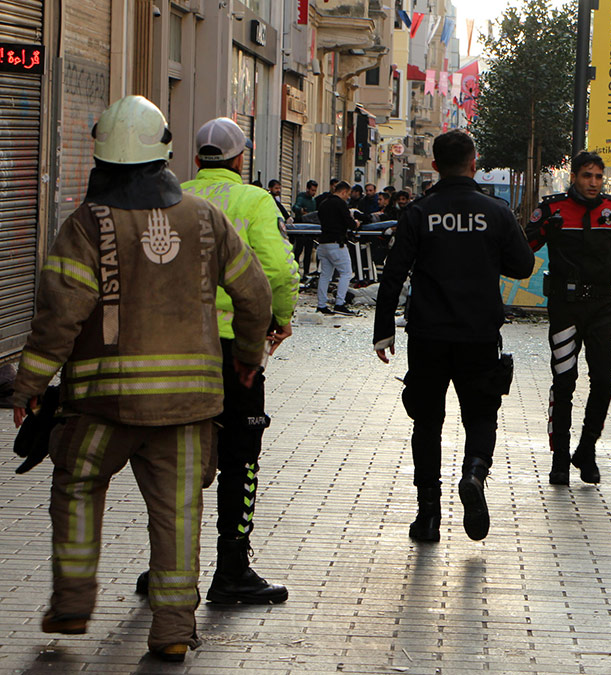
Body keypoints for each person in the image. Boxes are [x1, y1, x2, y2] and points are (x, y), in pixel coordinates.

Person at [9, 96, 272, 662]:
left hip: (103, 407)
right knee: (178, 513)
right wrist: (248, 357)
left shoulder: (85, 226)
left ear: (100, 161)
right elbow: (255, 292)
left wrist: (29, 384)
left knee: (76, 486)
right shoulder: (206, 219)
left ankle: (73, 602)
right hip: (187, 409)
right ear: (165, 156)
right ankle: (174, 629)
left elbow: (58, 318)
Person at [373, 130, 535, 542]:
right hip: (479, 334)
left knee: (426, 422)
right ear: (474, 163)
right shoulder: (495, 212)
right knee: (481, 414)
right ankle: (475, 473)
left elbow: (393, 273)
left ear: (434, 166)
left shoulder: (419, 212)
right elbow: (522, 267)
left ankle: (427, 516)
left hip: (428, 335)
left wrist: (383, 330)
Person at [173, 116, 300, 605]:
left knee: (174, 458)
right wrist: (280, 318)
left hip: (180, 344)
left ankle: (166, 564)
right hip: (235, 348)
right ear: (240, 157)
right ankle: (232, 570)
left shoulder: (175, 196)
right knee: (241, 457)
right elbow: (276, 268)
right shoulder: (253, 200)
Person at [526, 151, 611, 486]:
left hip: (603, 306)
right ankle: (560, 459)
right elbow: (525, 247)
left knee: (604, 381)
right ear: (574, 177)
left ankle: (587, 448)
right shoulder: (552, 209)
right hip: (564, 307)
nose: (593, 183)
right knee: (564, 383)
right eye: (586, 176)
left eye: (598, 176)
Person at [316, 181, 359, 316]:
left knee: (325, 275)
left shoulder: (323, 203)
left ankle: (321, 305)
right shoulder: (340, 203)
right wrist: (356, 223)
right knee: (346, 273)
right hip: (337, 244)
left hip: (323, 244)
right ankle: (340, 303)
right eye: (348, 194)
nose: (348, 197)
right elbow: (350, 223)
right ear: (343, 192)